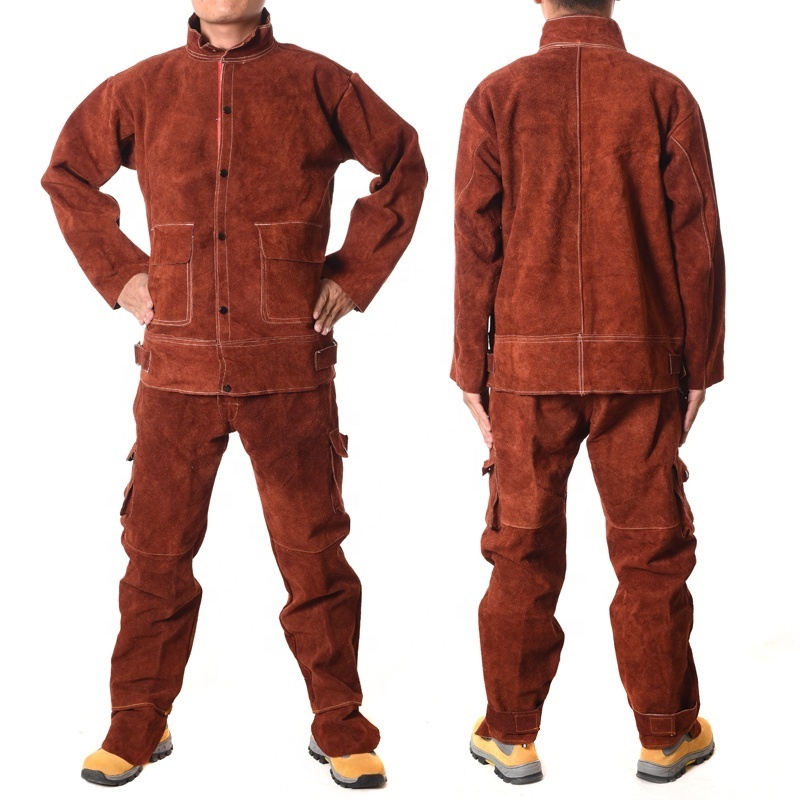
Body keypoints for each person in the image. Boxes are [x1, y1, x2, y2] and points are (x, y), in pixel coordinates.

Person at [42, 1, 426, 789]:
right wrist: (121, 275)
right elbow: (67, 174)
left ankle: (340, 722)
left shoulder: (320, 82)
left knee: (314, 556)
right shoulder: (139, 88)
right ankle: (136, 721)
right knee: (154, 555)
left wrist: (353, 276)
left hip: (288, 369)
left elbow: (403, 162)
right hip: (175, 373)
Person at [452, 0, 723, 785]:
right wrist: (700, 364)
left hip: (525, 372)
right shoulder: (662, 94)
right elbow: (698, 243)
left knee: (520, 550)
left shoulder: (497, 95)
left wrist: (471, 367)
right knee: (652, 555)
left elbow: (475, 243)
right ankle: (667, 736)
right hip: (640, 365)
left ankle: (510, 735)